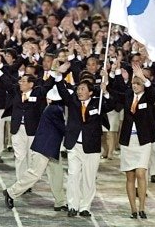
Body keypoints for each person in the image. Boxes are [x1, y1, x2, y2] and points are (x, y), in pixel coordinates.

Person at [55, 61, 113, 218]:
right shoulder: (73, 102)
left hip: (91, 147)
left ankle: (85, 206)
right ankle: (72, 205)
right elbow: (61, 90)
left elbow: (112, 104)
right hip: (74, 145)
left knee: (89, 178)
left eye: (82, 89)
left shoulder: (98, 103)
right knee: (73, 175)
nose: (79, 92)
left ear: (90, 92)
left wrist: (105, 90)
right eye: (78, 89)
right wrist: (59, 75)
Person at [3, 85, 67, 211]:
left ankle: (60, 202)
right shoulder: (55, 110)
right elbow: (63, 129)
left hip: (51, 147)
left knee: (57, 174)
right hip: (44, 147)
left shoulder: (56, 108)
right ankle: (11, 192)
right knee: (35, 174)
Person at [114, 64, 155, 219]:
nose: (135, 86)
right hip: (128, 141)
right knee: (130, 176)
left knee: (140, 172)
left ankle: (143, 207)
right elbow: (117, 87)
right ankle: (133, 209)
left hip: (143, 140)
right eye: (133, 83)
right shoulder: (127, 96)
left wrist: (143, 78)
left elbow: (154, 92)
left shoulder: (148, 96)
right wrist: (116, 71)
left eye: (138, 83)